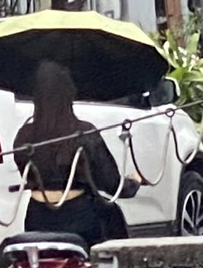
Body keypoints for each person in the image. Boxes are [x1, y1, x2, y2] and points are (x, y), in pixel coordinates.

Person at [12, 59, 128, 248]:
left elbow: (28, 173)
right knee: (112, 214)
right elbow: (112, 184)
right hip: (80, 218)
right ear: (69, 94)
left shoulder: (23, 136)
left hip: (36, 218)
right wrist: (134, 181)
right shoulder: (84, 133)